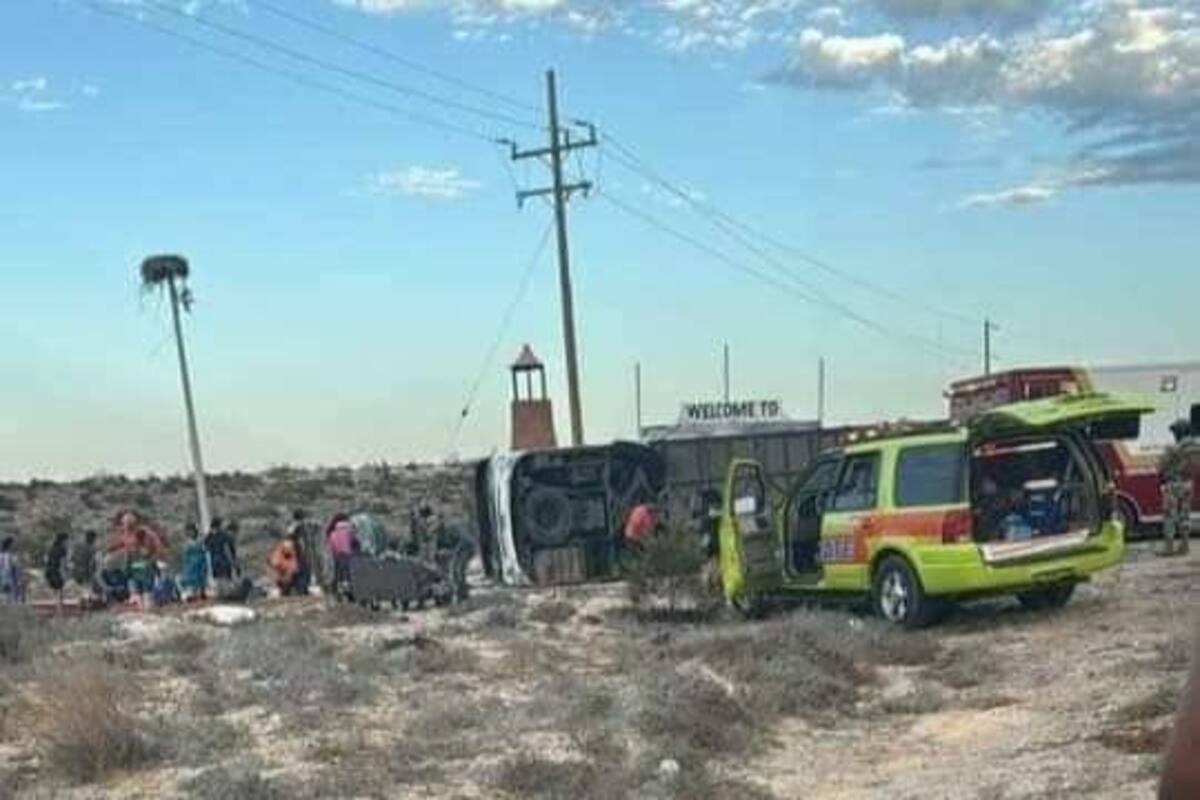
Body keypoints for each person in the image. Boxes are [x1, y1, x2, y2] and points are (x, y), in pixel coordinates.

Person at [1159, 419, 1197, 557]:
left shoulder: (1173, 448)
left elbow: (1161, 467)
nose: (1173, 434)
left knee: (1169, 516)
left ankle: (1169, 548)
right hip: (1188, 484)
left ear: (1179, 432)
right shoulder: (1196, 447)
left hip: (1173, 484)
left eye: (1175, 432)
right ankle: (1184, 546)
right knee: (1185, 515)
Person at [326, 514, 358, 598]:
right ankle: (349, 593)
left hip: (336, 556)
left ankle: (337, 592)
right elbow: (354, 542)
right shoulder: (349, 530)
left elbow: (331, 546)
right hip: (348, 555)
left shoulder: (332, 532)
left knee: (338, 575)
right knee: (348, 575)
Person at [178, 522, 209, 600]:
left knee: (201, 577)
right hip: (191, 563)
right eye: (189, 531)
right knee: (191, 579)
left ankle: (202, 592)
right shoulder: (187, 542)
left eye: (192, 531)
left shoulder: (200, 540)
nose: (190, 533)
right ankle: (192, 594)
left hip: (200, 561)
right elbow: (185, 554)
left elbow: (204, 550)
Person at [204, 517, 239, 583]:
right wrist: (233, 562)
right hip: (223, 561)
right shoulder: (224, 536)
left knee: (218, 579)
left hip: (214, 561)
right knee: (226, 578)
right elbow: (228, 550)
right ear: (219, 525)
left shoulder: (209, 537)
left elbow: (206, 549)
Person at [71, 530, 100, 602]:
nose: (94, 540)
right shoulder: (92, 548)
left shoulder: (78, 546)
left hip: (77, 570)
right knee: (87, 588)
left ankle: (84, 601)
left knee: (83, 589)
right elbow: (93, 561)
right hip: (86, 571)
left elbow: (72, 558)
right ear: (92, 538)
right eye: (94, 539)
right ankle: (87, 602)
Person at [44, 532, 68, 610]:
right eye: (66, 540)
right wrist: (64, 575)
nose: (67, 542)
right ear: (63, 541)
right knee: (60, 593)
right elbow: (63, 563)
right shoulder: (62, 550)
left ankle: (56, 609)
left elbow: (46, 561)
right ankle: (60, 610)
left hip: (50, 572)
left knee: (55, 593)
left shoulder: (51, 548)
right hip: (58, 572)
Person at [0, 537, 25, 604]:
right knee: (11, 599)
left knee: (6, 599)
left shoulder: (3, 556)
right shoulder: (11, 556)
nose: (15, 545)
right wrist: (20, 580)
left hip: (5, 580)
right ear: (9, 545)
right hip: (10, 580)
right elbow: (17, 569)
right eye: (13, 543)